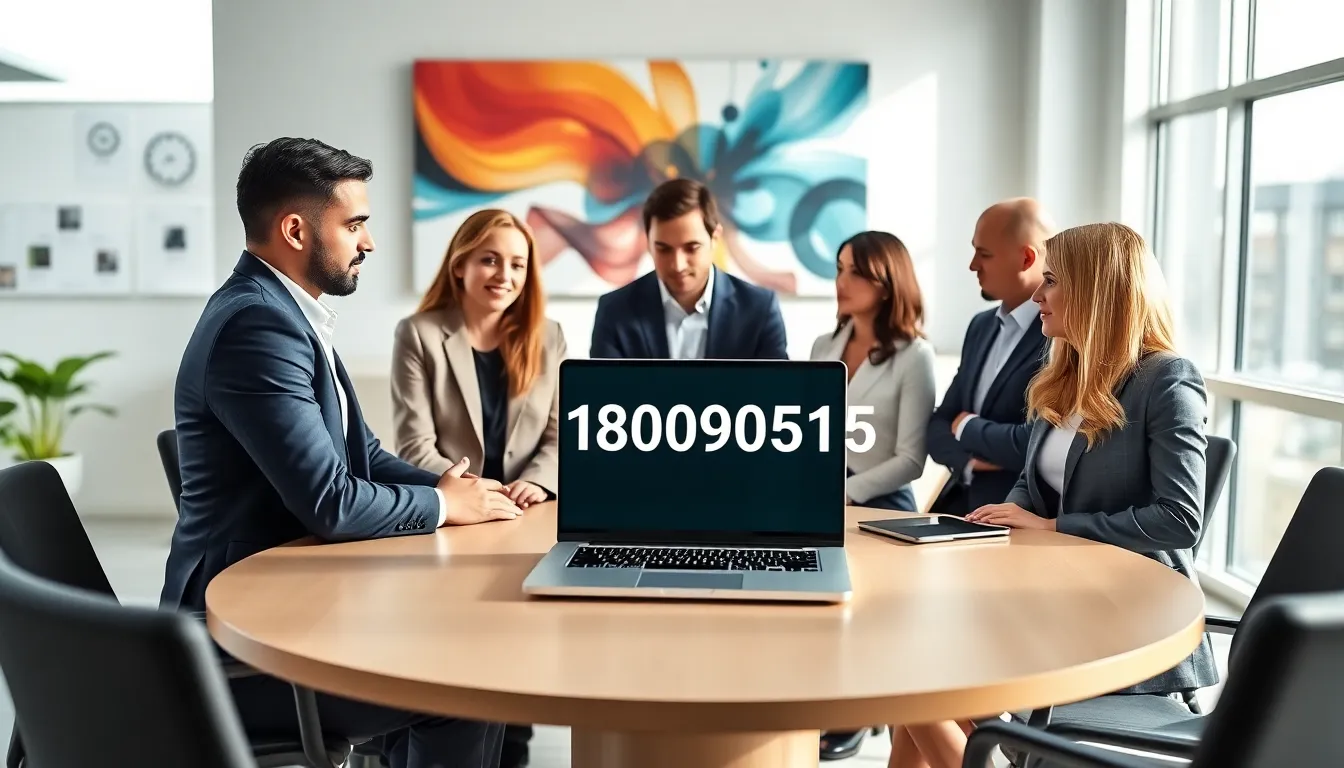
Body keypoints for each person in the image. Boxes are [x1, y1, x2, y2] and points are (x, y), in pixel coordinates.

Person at [161, 137, 519, 768]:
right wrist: (441, 507)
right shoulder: (257, 326)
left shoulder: (287, 313)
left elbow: (363, 455)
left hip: (293, 602)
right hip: (239, 648)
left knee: (469, 643)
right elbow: (331, 502)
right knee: (469, 682)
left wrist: (464, 493)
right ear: (295, 230)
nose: (369, 242)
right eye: (354, 225)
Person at [887, 222, 1219, 768]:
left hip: (1124, 619)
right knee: (916, 663)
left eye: (1052, 281)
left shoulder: (1166, 379)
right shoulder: (1064, 372)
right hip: (1058, 597)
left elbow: (1179, 518)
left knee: (918, 679)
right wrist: (1005, 516)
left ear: (1095, 291)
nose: (1038, 294)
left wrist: (1054, 528)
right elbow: (1036, 481)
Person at [391, 208, 565, 768]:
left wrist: (536, 482)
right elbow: (413, 444)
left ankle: (513, 748)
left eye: (517, 264)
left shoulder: (548, 337)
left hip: (526, 520)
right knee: (462, 651)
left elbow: (561, 436)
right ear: (460, 264)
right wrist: (474, 494)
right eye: (490, 259)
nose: (504, 275)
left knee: (521, 647)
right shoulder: (419, 334)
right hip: (454, 520)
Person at [809, 230, 935, 761]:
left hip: (882, 506)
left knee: (868, 614)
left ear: (886, 283)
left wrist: (844, 492)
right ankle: (829, 699)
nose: (841, 281)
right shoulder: (824, 346)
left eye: (855, 272)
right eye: (839, 268)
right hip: (822, 498)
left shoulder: (914, 356)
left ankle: (857, 710)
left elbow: (911, 459)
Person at [925, 198, 1056, 517]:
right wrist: (968, 462)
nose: (973, 265)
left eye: (984, 254)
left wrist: (967, 426)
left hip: (1018, 516)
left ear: (1026, 258)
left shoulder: (1060, 337)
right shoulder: (980, 327)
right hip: (961, 507)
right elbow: (938, 425)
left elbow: (1036, 444)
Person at [589, 178, 788, 359]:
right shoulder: (615, 311)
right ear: (648, 243)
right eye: (663, 249)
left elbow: (778, 386)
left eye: (692, 248)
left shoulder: (759, 310)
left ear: (715, 238)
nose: (678, 265)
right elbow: (602, 387)